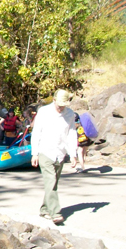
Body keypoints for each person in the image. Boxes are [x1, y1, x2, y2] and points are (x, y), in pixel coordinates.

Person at [31, 89, 78, 225]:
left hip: (60, 152)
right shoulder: (44, 112)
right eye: (59, 104)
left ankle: (45, 209)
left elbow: (71, 133)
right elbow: (36, 132)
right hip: (45, 151)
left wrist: (73, 154)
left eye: (64, 104)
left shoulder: (69, 114)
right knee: (50, 181)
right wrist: (35, 153)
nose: (61, 107)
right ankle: (55, 213)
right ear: (54, 100)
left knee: (53, 183)